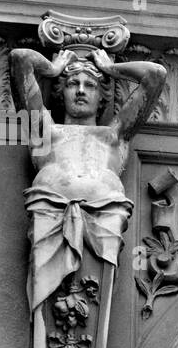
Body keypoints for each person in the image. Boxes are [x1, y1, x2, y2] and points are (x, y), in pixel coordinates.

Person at [9, 45, 165, 311]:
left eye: (90, 85)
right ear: (61, 92)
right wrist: (53, 69)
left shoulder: (114, 136)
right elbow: (20, 59)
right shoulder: (46, 132)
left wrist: (109, 69)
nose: (81, 90)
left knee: (94, 303)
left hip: (103, 221)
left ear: (101, 95)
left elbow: (155, 75)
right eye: (72, 83)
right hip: (50, 218)